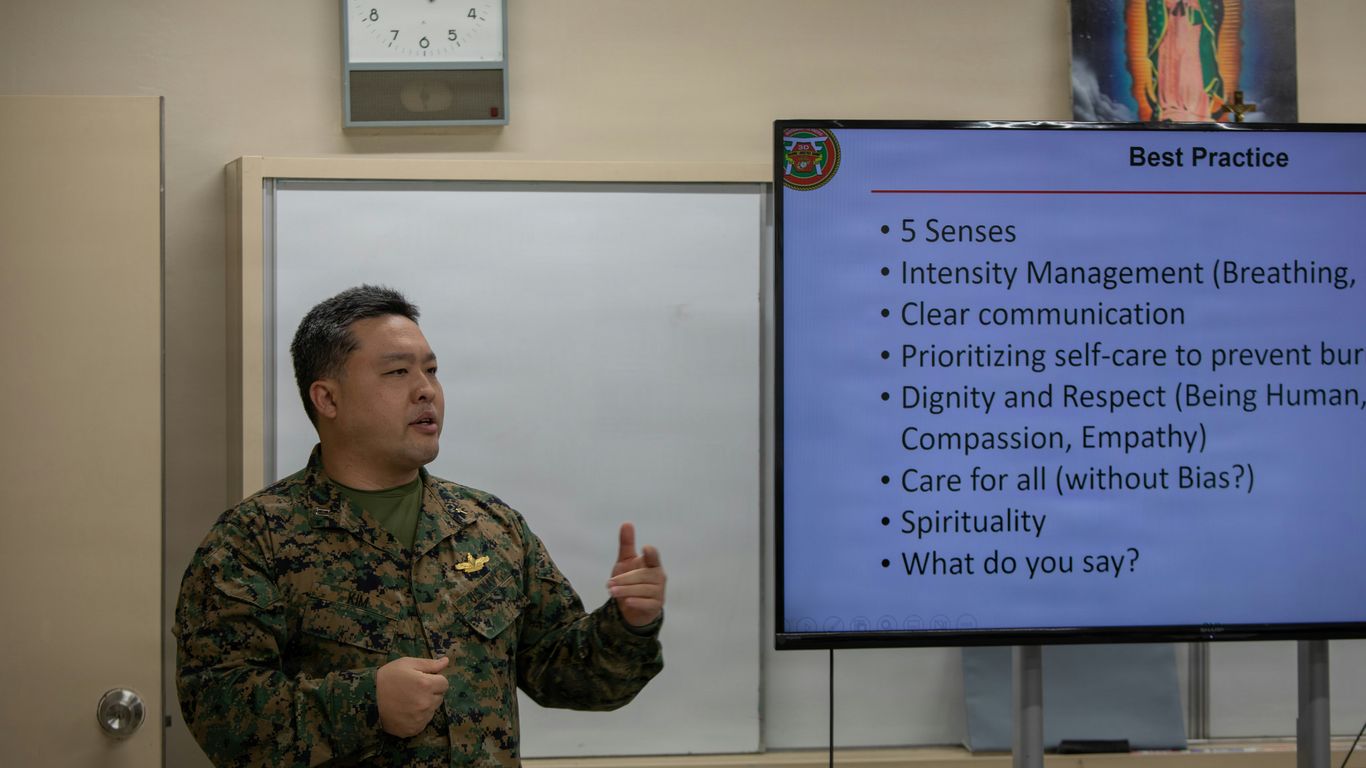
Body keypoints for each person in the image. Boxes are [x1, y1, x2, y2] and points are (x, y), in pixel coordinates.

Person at [175, 285, 665, 767]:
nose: (426, 389)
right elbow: (218, 713)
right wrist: (366, 704)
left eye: (431, 370)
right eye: (397, 372)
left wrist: (628, 625)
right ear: (327, 399)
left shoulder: (490, 526)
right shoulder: (253, 540)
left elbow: (566, 674)